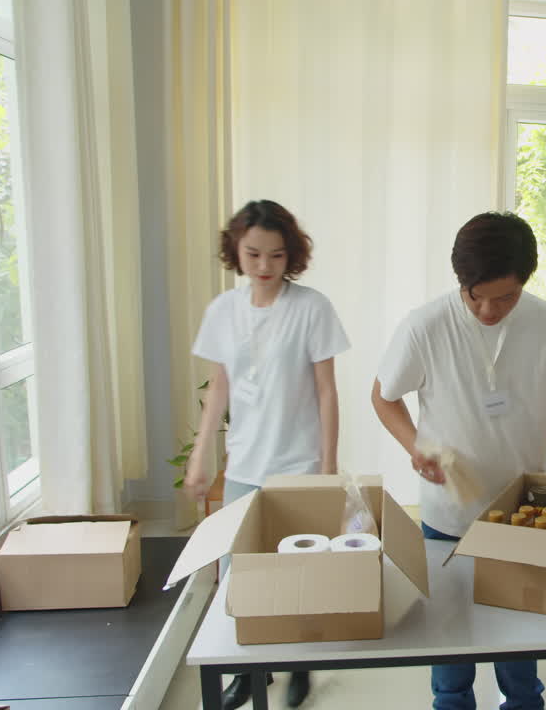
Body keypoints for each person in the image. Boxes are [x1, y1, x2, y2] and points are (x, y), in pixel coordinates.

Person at [372, 211, 546, 710]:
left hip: (521, 512)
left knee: (518, 627)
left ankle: (524, 704)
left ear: (525, 281)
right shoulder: (425, 326)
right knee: (450, 631)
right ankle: (453, 703)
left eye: (504, 297)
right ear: (461, 282)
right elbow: (383, 397)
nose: (488, 309)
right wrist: (414, 445)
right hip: (446, 513)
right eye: (475, 295)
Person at [184, 200, 350, 710]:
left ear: (290, 256)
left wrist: (327, 465)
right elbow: (218, 388)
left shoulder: (312, 307)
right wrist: (201, 456)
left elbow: (327, 391)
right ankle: (249, 672)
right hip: (245, 466)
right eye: (253, 254)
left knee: (299, 572)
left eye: (275, 256)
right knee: (241, 576)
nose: (263, 267)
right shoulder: (222, 311)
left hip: (299, 466)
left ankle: (299, 664)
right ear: (235, 250)